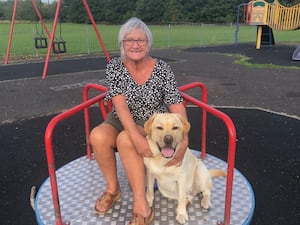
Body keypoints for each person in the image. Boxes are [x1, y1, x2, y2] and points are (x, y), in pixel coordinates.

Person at [89, 17, 189, 225]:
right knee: (98, 136)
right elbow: (120, 106)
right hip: (122, 119)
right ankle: (112, 190)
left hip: (153, 124)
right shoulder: (115, 67)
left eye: (141, 40)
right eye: (129, 40)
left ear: (148, 43)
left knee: (126, 139)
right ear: (122, 44)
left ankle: (141, 203)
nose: (135, 45)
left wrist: (184, 139)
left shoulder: (162, 69)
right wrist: (135, 134)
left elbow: (175, 102)